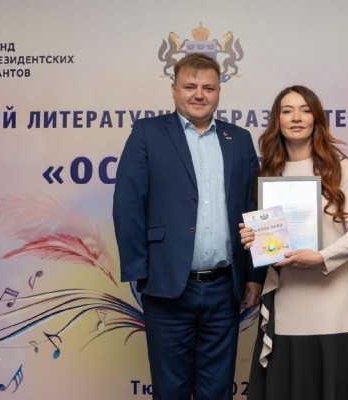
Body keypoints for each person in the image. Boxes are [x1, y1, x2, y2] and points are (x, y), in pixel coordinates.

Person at [112, 53, 265, 400]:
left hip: (225, 289)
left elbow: (252, 209)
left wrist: (254, 275)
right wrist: (141, 273)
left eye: (208, 88)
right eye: (190, 86)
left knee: (217, 390)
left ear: (218, 92)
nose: (199, 94)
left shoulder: (239, 139)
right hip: (166, 286)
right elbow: (128, 204)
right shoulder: (147, 133)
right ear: (174, 89)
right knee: (171, 390)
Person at [240, 85, 348, 400]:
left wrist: (321, 258)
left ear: (317, 119)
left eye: (305, 110)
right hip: (286, 298)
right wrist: (252, 239)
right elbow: (269, 244)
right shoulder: (269, 173)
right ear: (277, 121)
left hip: (330, 302)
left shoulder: (339, 167)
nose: (296, 117)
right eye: (287, 111)